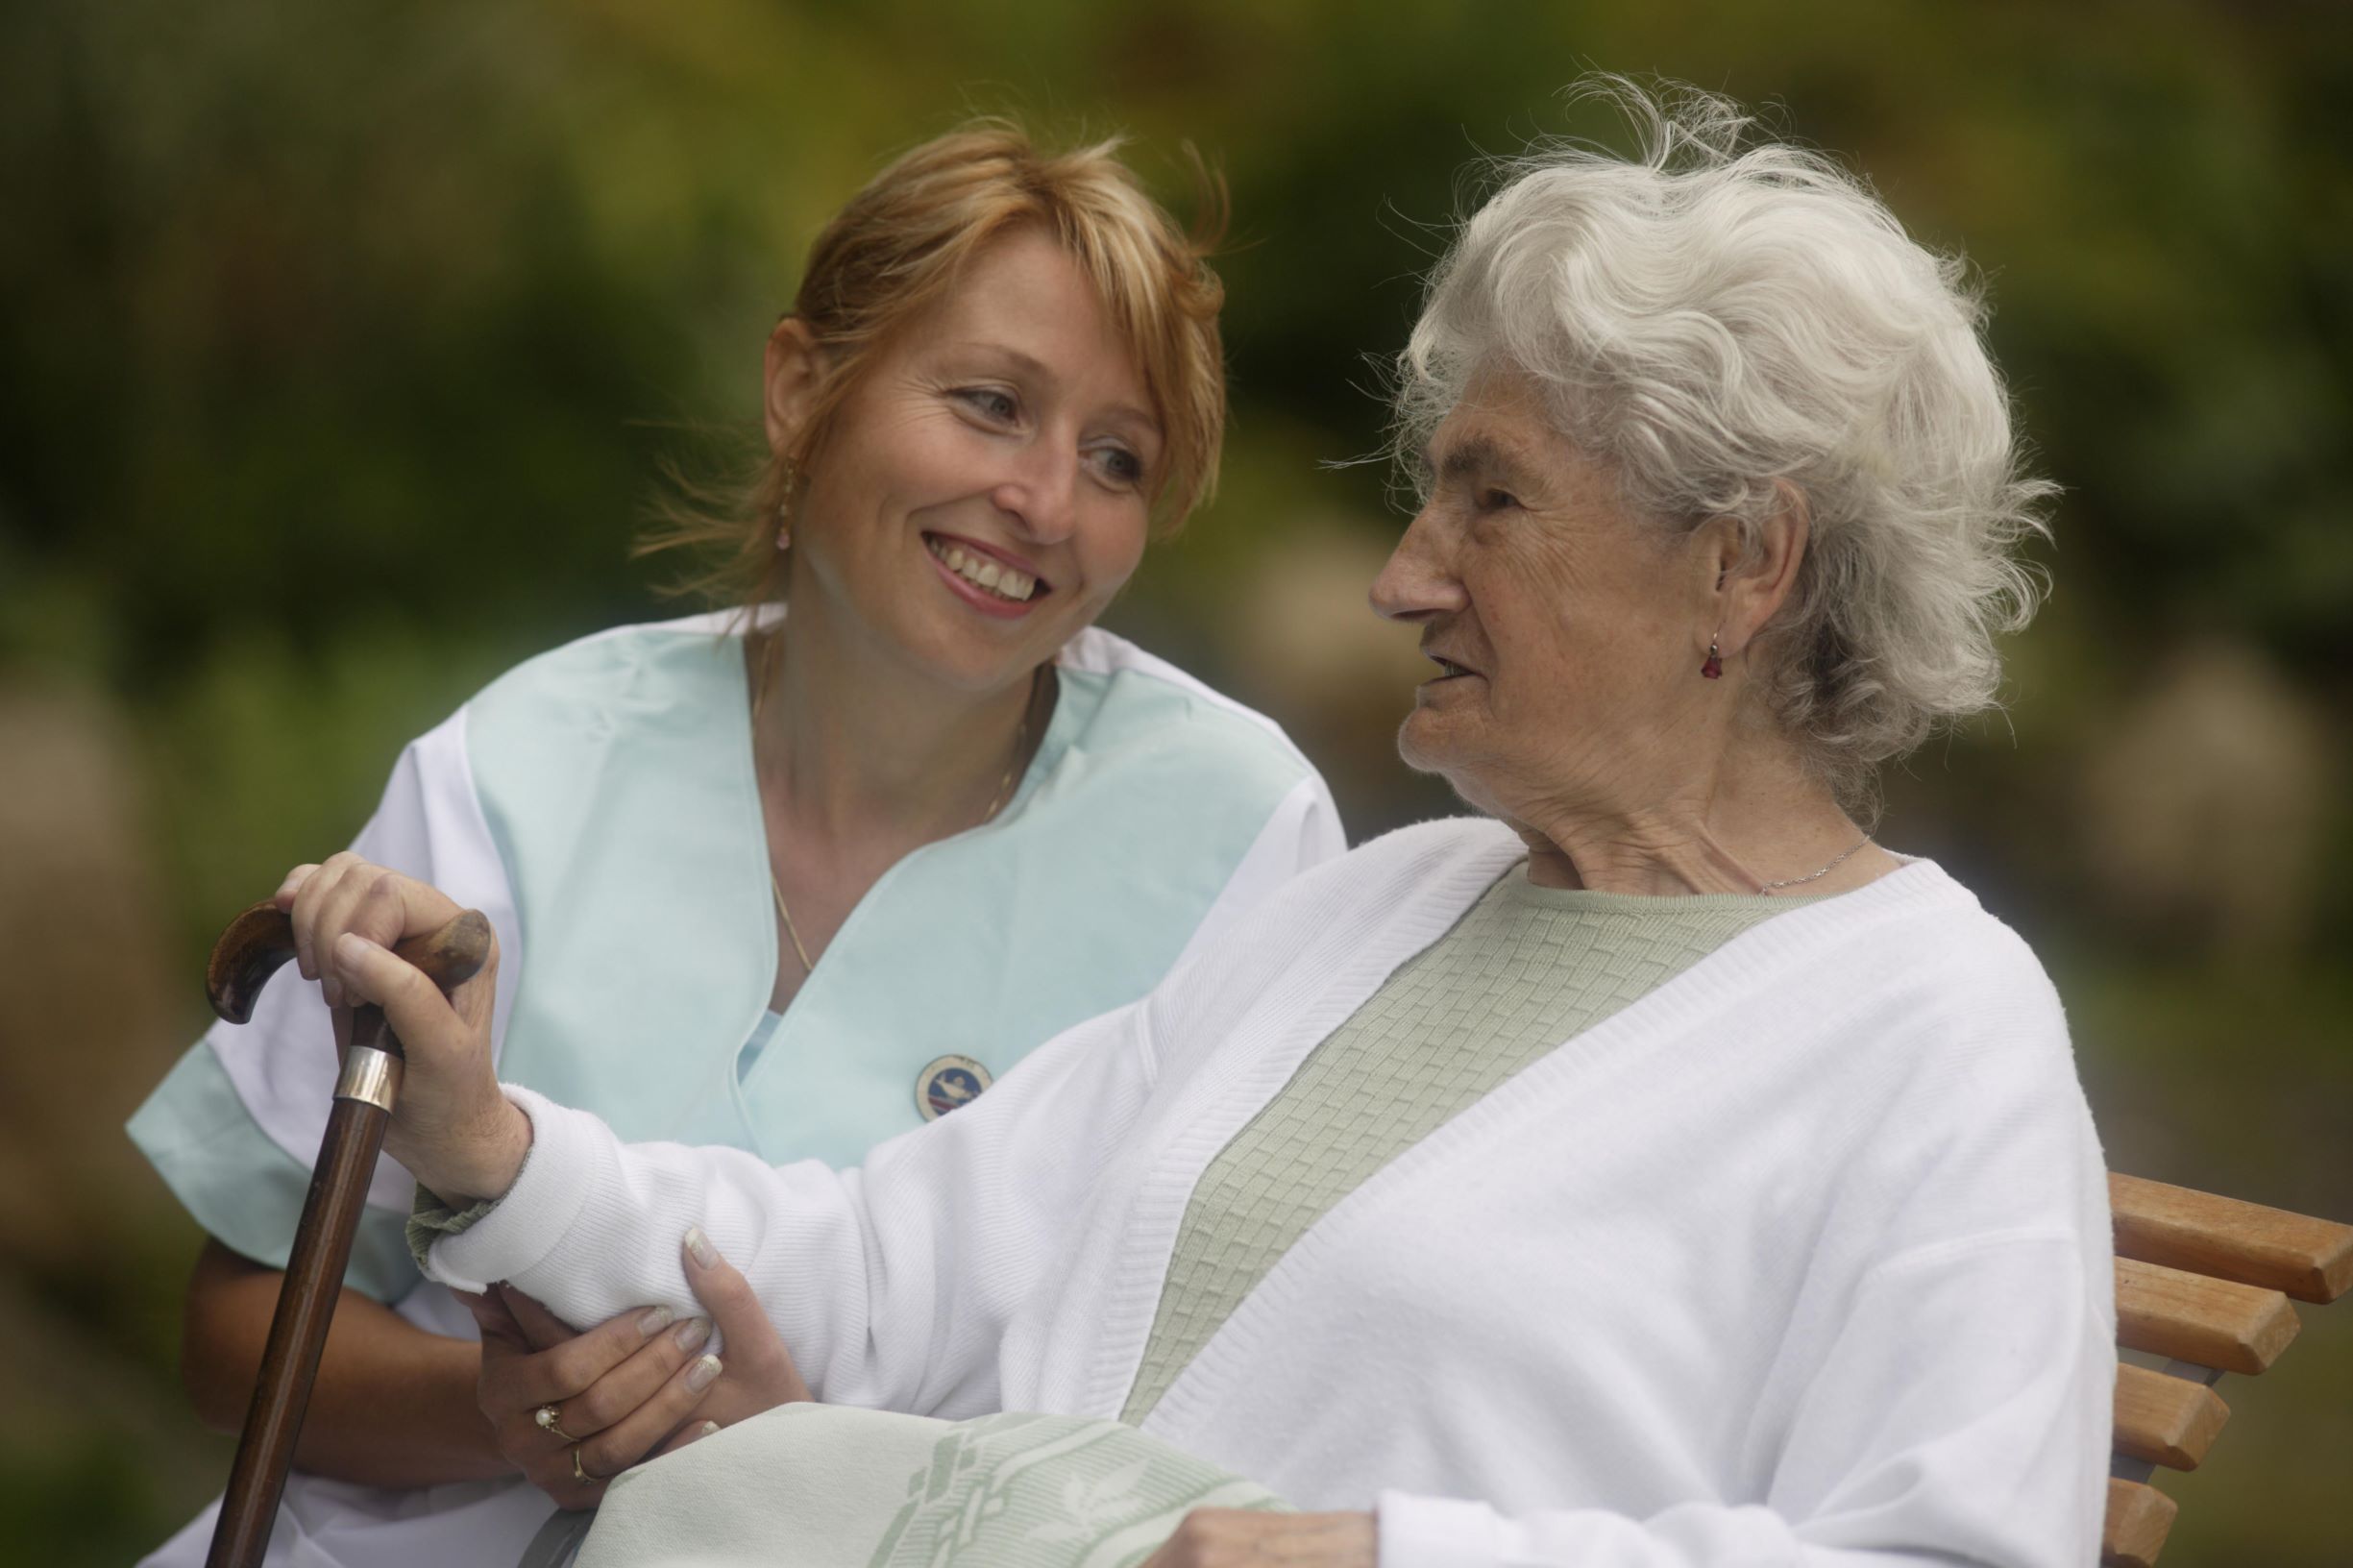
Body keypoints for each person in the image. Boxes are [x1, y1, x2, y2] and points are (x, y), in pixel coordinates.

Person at [328, 81, 2114, 1568]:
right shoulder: (1380, 907)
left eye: (1488, 501)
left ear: (1739, 561)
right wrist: (491, 1147)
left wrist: (1386, 1556)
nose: (1403, 577)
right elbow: (893, 1260)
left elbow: (1947, 1551)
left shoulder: (1926, 1028)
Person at [127, 122, 1343, 1568]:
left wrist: (822, 1469)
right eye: (986, 403)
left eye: (1116, 458)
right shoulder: (520, 767)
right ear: (799, 389)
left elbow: (1248, 1389)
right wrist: (504, 1416)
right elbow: (237, 1322)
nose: (1043, 502)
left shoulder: (1238, 837)